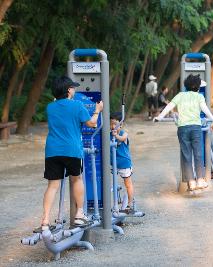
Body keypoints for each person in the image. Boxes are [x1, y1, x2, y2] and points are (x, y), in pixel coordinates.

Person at [37, 76, 103, 232]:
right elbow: (92, 124)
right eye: (73, 88)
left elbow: (57, 106)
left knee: (53, 185)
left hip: (52, 151)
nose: (74, 90)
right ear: (68, 90)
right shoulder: (77, 105)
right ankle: (79, 214)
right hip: (72, 150)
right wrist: (97, 110)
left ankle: (45, 220)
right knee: (76, 179)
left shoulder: (50, 107)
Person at [154, 74, 213, 191]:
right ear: (197, 87)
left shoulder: (180, 95)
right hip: (195, 128)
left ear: (186, 85)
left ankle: (191, 182)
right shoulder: (199, 97)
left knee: (186, 156)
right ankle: (200, 180)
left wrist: (159, 117)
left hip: (183, 128)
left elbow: (169, 107)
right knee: (198, 154)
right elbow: (205, 110)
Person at [110, 113, 145, 216]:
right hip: (112, 163)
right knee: (110, 183)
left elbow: (122, 138)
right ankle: (115, 203)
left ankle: (129, 204)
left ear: (120, 125)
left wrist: (116, 135)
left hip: (124, 163)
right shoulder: (107, 134)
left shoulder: (123, 133)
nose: (113, 127)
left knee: (128, 184)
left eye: (115, 124)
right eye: (111, 124)